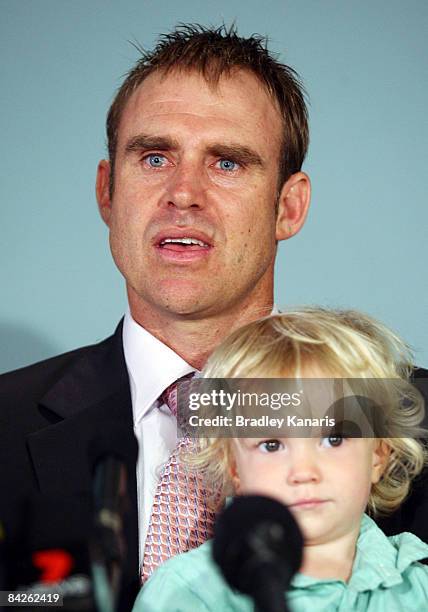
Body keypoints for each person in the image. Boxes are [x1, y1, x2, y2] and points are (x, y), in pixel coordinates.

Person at [0, 23, 426, 604]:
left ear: (288, 206)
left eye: (227, 163)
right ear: (107, 192)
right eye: (154, 157)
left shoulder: (407, 416)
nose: (183, 193)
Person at [135, 308, 428, 611]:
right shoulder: (185, 592)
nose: (303, 472)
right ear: (234, 467)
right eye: (272, 445)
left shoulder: (417, 588)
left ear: (378, 455)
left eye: (333, 439)